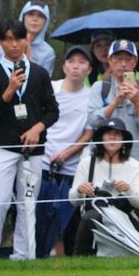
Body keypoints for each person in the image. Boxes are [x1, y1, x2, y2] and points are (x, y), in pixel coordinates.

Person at [0, 18, 59, 261]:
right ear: (0, 42)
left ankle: (24, 254)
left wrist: (38, 127)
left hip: (33, 149)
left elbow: (53, 111)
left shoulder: (39, 73)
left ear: (27, 40)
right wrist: (9, 90)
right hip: (4, 146)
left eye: (18, 38)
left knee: (27, 204)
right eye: (7, 39)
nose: (13, 45)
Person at [36, 45, 94, 258]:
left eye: (81, 62)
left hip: (72, 169)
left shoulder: (91, 96)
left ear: (89, 69)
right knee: (39, 219)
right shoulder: (50, 88)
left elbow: (88, 133)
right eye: (71, 61)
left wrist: (67, 154)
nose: (76, 66)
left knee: (70, 223)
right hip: (42, 164)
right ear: (64, 66)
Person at [68, 118, 139, 255]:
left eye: (117, 134)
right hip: (93, 217)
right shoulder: (87, 163)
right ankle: (79, 260)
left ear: (124, 140)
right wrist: (81, 190)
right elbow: (73, 200)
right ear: (100, 138)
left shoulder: (134, 165)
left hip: (125, 219)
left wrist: (128, 189)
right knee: (90, 216)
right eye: (108, 133)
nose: (112, 137)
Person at [87, 39, 139, 168]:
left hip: (135, 159)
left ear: (135, 62)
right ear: (110, 61)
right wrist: (115, 102)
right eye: (117, 59)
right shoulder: (99, 87)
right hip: (103, 158)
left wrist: (137, 101)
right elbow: (93, 122)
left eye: (128, 59)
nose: (123, 64)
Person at [0, 0, 56, 76]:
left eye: (40, 16)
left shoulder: (48, 52)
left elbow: (44, 82)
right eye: (31, 14)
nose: (35, 19)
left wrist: (29, 54)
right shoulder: (5, 42)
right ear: (23, 17)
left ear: (46, 22)